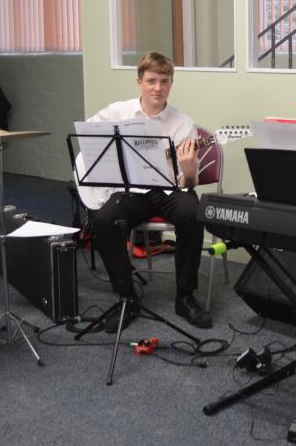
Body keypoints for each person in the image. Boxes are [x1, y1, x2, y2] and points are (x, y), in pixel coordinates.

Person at [87, 52, 211, 331]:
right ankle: (126, 297)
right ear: (139, 81)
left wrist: (190, 169)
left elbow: (188, 183)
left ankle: (186, 296)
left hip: (170, 189)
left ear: (171, 83)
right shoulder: (116, 112)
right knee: (104, 220)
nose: (158, 87)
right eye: (151, 80)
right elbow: (89, 136)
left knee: (193, 213)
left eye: (164, 81)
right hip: (132, 191)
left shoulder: (182, 123)